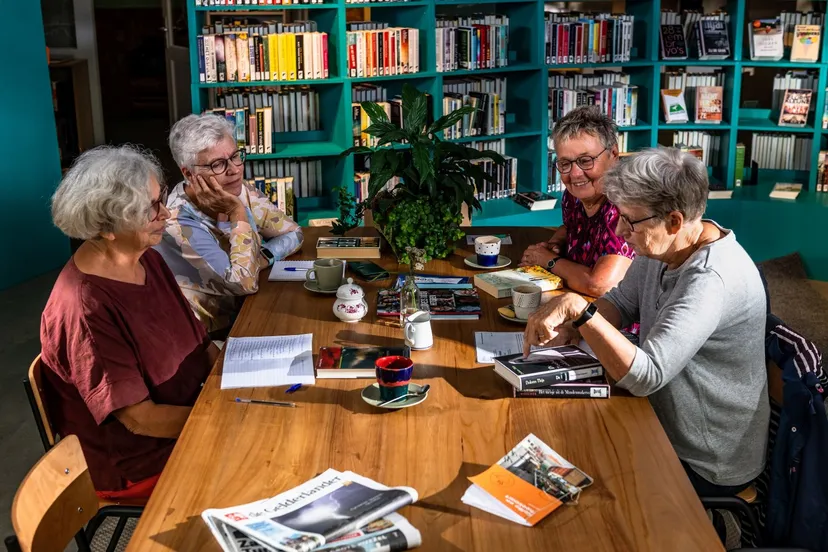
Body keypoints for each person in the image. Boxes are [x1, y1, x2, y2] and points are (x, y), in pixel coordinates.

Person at [524, 148, 770, 497]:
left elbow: (646, 376)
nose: (620, 230)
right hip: (658, 417)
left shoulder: (711, 279)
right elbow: (621, 303)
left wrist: (582, 312)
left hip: (704, 456)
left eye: (630, 221)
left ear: (673, 220)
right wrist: (571, 327)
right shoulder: (667, 246)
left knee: (572, 476)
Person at [40, 146, 219, 499]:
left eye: (160, 199)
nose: (165, 214)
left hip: (192, 412)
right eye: (150, 207)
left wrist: (241, 384)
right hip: (141, 461)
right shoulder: (86, 308)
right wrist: (225, 420)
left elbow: (203, 346)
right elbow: (141, 420)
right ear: (107, 227)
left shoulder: (145, 258)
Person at [156, 113, 303, 337]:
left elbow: (294, 233)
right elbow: (243, 283)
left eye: (236, 156)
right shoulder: (176, 223)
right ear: (189, 173)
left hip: (248, 312)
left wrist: (261, 257)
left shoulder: (235, 187)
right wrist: (237, 213)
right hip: (208, 337)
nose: (234, 170)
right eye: (218, 164)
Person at [520, 106, 634, 298]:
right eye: (565, 163)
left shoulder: (626, 205)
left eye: (586, 160)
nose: (574, 174)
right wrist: (556, 243)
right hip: (574, 300)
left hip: (615, 320)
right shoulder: (574, 196)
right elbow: (571, 227)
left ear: (613, 153)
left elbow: (600, 285)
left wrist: (548, 260)